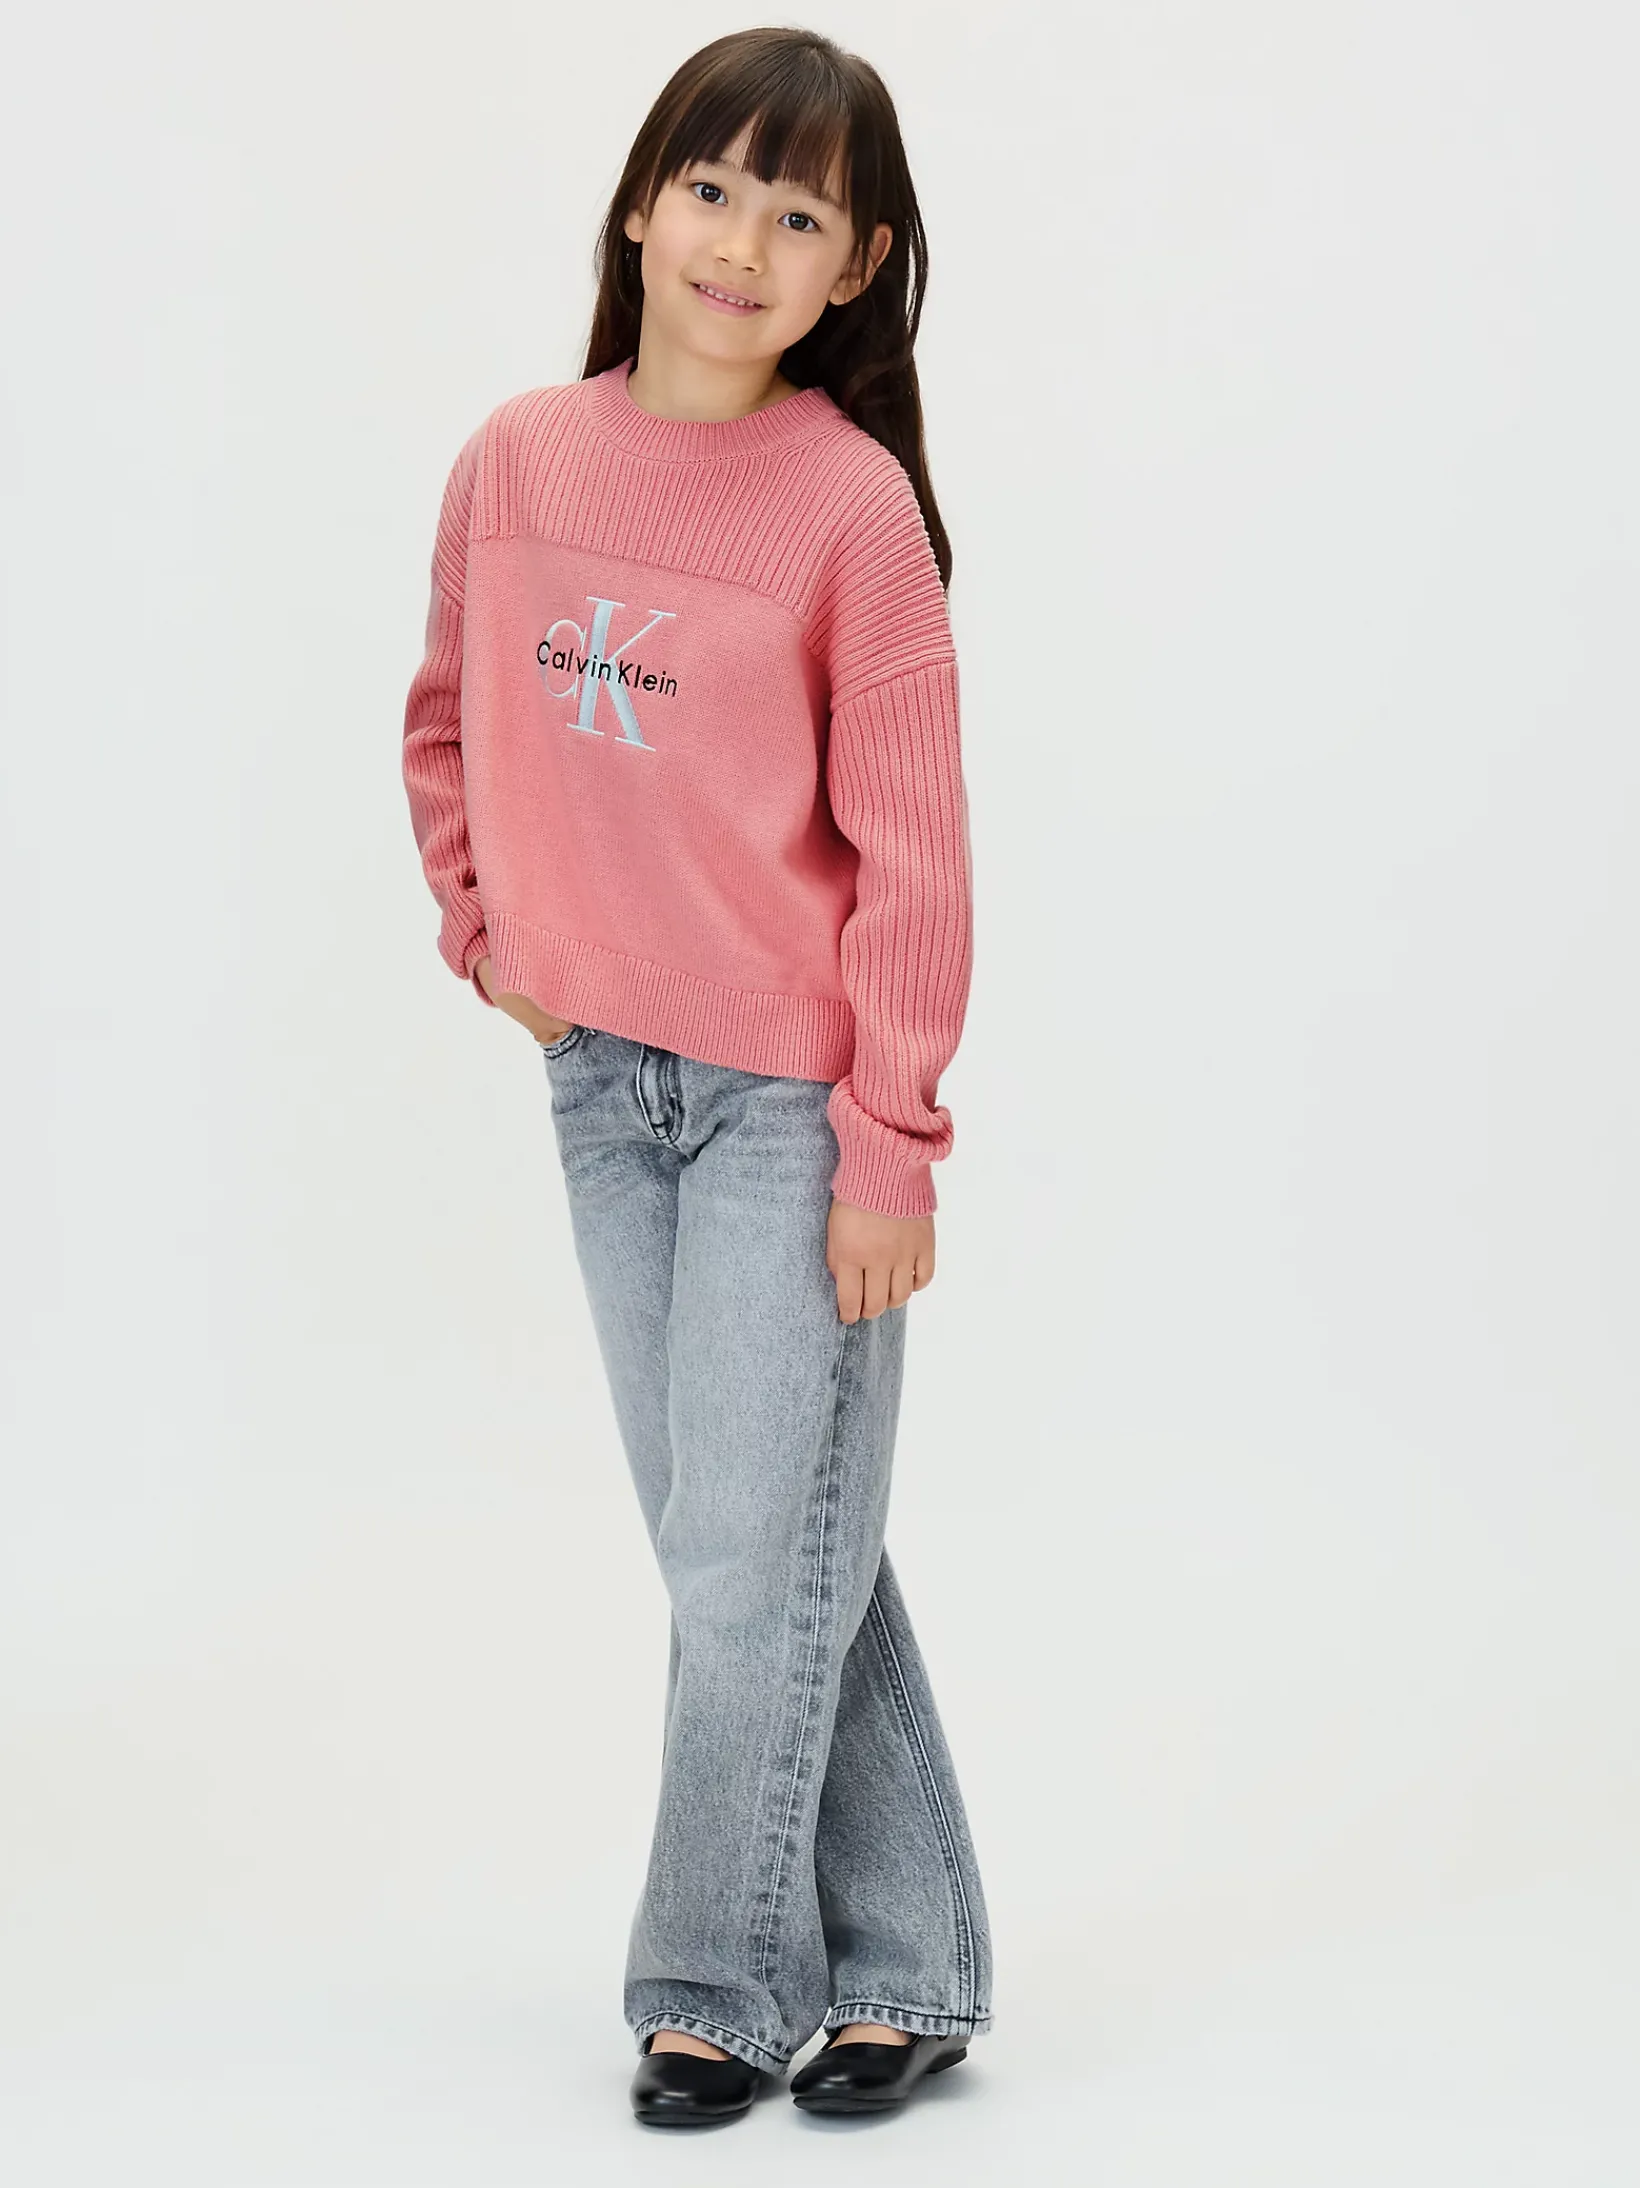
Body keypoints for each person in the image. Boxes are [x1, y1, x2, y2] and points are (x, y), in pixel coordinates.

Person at [400, 26, 992, 2130]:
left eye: (801, 213)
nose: (745, 242)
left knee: (751, 1553)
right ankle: (908, 1967)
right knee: (758, 1541)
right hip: (601, 1089)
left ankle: (715, 1985)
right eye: (715, 188)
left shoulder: (849, 510)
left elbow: (915, 850)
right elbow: (444, 720)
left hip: (784, 1105)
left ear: (859, 265)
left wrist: (888, 1136)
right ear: (642, 205)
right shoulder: (518, 460)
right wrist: (487, 936)